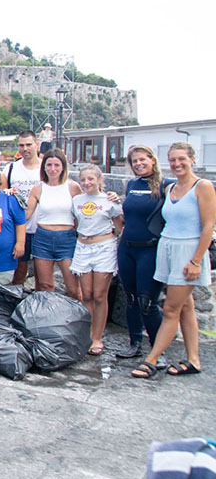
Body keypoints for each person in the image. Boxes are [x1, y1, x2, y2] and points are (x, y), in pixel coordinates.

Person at [133, 143, 215, 379]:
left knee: (170, 309)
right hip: (167, 247)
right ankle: (193, 359)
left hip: (187, 251)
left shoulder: (203, 186)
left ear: (192, 160)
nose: (177, 164)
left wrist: (196, 261)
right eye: (173, 160)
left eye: (181, 159)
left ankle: (152, 359)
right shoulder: (171, 188)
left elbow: (208, 226)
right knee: (185, 306)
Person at [116, 145, 174, 360]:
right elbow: (127, 217)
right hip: (127, 248)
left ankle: (158, 351)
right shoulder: (132, 184)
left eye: (142, 160)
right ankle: (135, 344)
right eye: (135, 161)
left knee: (147, 302)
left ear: (152, 160)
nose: (139, 164)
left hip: (150, 250)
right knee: (131, 298)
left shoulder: (166, 185)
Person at [70, 165, 123, 356]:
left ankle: (98, 337)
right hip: (83, 247)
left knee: (100, 295)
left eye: (91, 179)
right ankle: (88, 333)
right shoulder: (77, 200)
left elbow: (119, 226)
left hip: (103, 247)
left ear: (100, 180)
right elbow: (76, 223)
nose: (86, 183)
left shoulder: (109, 200)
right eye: (83, 179)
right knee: (87, 294)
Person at [25, 149, 80, 298]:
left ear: (63, 167)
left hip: (67, 238)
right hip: (43, 238)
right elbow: (26, 214)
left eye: (57, 165)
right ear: (44, 167)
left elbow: (82, 213)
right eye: (49, 165)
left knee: (73, 289)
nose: (53, 169)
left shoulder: (73, 187)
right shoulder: (38, 188)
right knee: (45, 286)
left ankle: (76, 313)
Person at [1, 130, 43, 286]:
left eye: (29, 145)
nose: (25, 149)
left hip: (41, 228)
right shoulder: (11, 168)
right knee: (18, 274)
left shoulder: (46, 168)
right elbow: (2, 196)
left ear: (36, 145)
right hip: (17, 229)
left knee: (42, 277)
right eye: (21, 145)